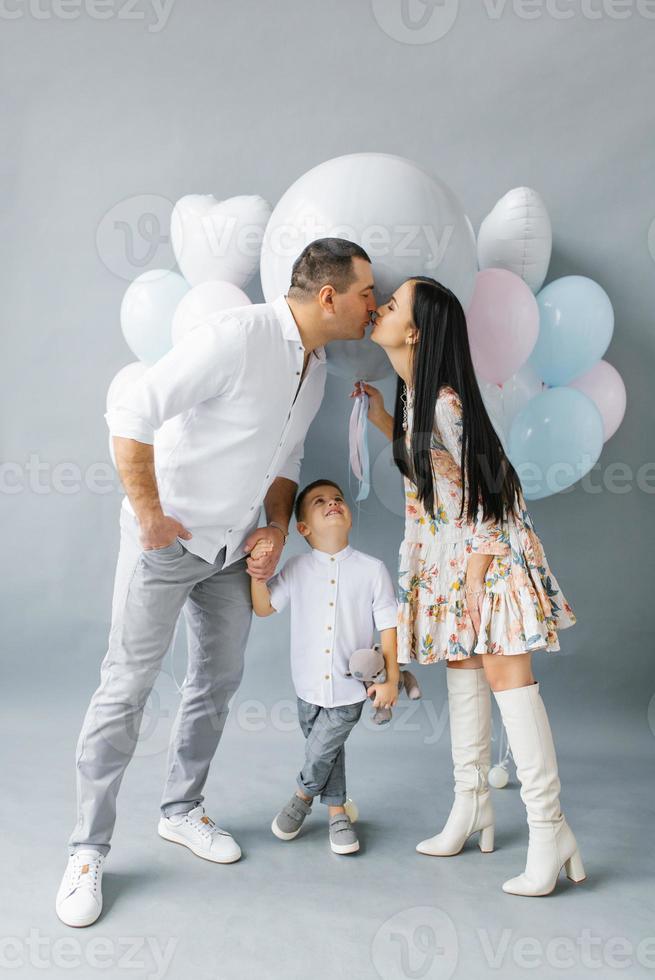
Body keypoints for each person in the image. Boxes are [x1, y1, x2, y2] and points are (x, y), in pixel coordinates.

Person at [56, 239, 378, 927]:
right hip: (171, 546)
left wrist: (275, 527)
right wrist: (147, 513)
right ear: (328, 296)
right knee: (127, 686)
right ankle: (86, 850)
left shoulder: (315, 367)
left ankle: (180, 809)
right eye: (364, 293)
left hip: (233, 551)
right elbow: (131, 411)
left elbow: (286, 457)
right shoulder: (238, 336)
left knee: (218, 679)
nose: (370, 305)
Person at [356, 275, 585, 897]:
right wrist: (383, 423)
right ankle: (472, 803)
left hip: (488, 554)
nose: (379, 306)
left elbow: (495, 487)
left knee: (507, 679)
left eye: (393, 303)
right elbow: (434, 467)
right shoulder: (411, 399)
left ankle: (550, 829)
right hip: (448, 558)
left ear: (415, 331)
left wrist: (479, 576)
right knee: (461, 670)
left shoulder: (446, 403)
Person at [250, 480, 399, 855]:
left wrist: (392, 679)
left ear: (347, 515)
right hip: (306, 686)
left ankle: (300, 797)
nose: (332, 503)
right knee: (329, 752)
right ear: (303, 528)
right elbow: (265, 607)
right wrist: (256, 576)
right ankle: (337, 813)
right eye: (319, 502)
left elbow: (389, 627)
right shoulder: (298, 568)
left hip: (352, 688)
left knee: (321, 750)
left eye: (337, 499)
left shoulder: (372, 570)